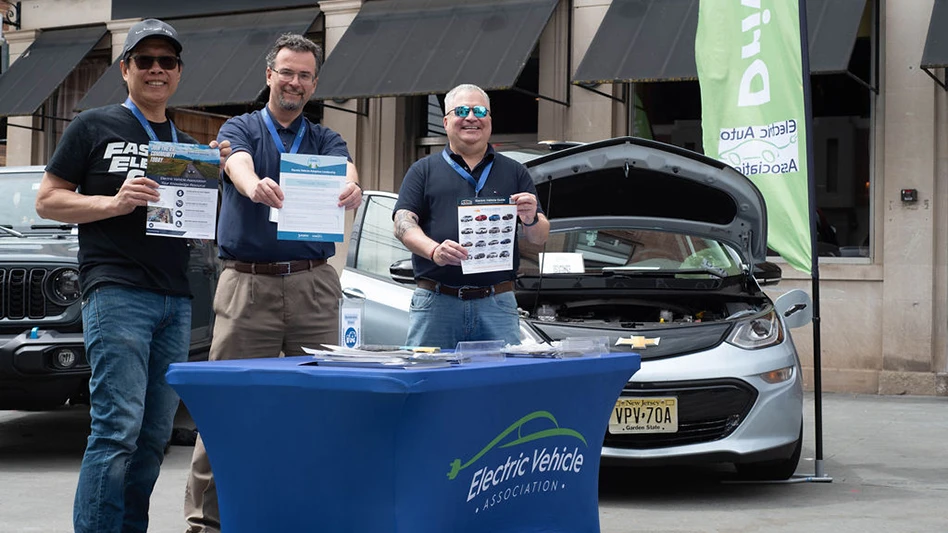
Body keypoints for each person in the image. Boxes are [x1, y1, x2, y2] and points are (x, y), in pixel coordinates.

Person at [35, 19, 228, 533]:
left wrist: (215, 173)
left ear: (179, 72)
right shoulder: (93, 126)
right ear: (126, 69)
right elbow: (48, 199)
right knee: (116, 429)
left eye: (167, 61)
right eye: (145, 60)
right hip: (116, 290)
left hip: (175, 299)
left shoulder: (185, 144)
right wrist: (112, 203)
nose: (156, 70)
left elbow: (201, 224)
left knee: (152, 436)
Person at [183, 33, 362, 533]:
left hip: (313, 286)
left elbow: (346, 167)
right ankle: (206, 524)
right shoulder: (241, 126)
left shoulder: (325, 138)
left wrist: (351, 184)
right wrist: (252, 185)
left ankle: (316, 518)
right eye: (287, 72)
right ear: (269, 75)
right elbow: (234, 160)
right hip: (248, 285)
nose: (295, 82)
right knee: (227, 407)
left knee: (324, 407)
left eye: (305, 75)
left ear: (314, 84)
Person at [393, 84, 549, 349]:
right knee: (429, 373)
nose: (472, 117)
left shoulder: (515, 172)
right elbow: (402, 224)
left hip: (497, 304)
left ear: (490, 120)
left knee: (500, 375)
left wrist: (531, 218)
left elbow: (539, 237)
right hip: (436, 303)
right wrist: (434, 251)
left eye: (480, 111)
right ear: (445, 122)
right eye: (462, 111)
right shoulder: (422, 170)